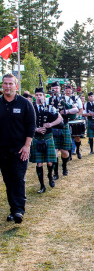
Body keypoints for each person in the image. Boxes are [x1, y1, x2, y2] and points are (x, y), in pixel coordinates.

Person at [0, 74, 36, 223]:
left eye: (10, 84)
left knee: (18, 178)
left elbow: (31, 126)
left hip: (20, 150)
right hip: (2, 151)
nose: (7, 86)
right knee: (8, 181)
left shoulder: (25, 104)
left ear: (16, 86)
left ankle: (19, 211)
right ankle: (13, 209)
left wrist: (27, 146)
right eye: (5, 83)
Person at [30, 87, 63, 193]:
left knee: (50, 162)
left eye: (40, 95)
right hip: (37, 137)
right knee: (39, 163)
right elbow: (26, 122)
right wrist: (36, 129)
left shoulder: (50, 107)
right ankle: (42, 185)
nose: (39, 97)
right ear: (35, 96)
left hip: (48, 137)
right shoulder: (31, 108)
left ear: (44, 96)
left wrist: (50, 124)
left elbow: (60, 119)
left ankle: (50, 176)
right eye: (37, 95)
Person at [46, 81, 79, 179]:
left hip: (63, 125)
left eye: (56, 88)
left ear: (60, 88)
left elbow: (76, 109)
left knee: (65, 152)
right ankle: (55, 173)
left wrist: (66, 111)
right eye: (53, 88)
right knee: (54, 151)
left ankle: (64, 167)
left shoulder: (66, 98)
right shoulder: (48, 100)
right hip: (52, 127)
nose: (55, 90)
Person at [65, 85, 84, 159]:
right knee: (68, 138)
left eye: (69, 89)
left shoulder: (76, 98)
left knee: (77, 137)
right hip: (66, 120)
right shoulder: (62, 98)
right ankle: (69, 154)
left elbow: (81, 110)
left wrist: (77, 115)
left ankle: (78, 151)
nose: (68, 91)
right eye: (66, 89)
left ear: (72, 90)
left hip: (75, 120)